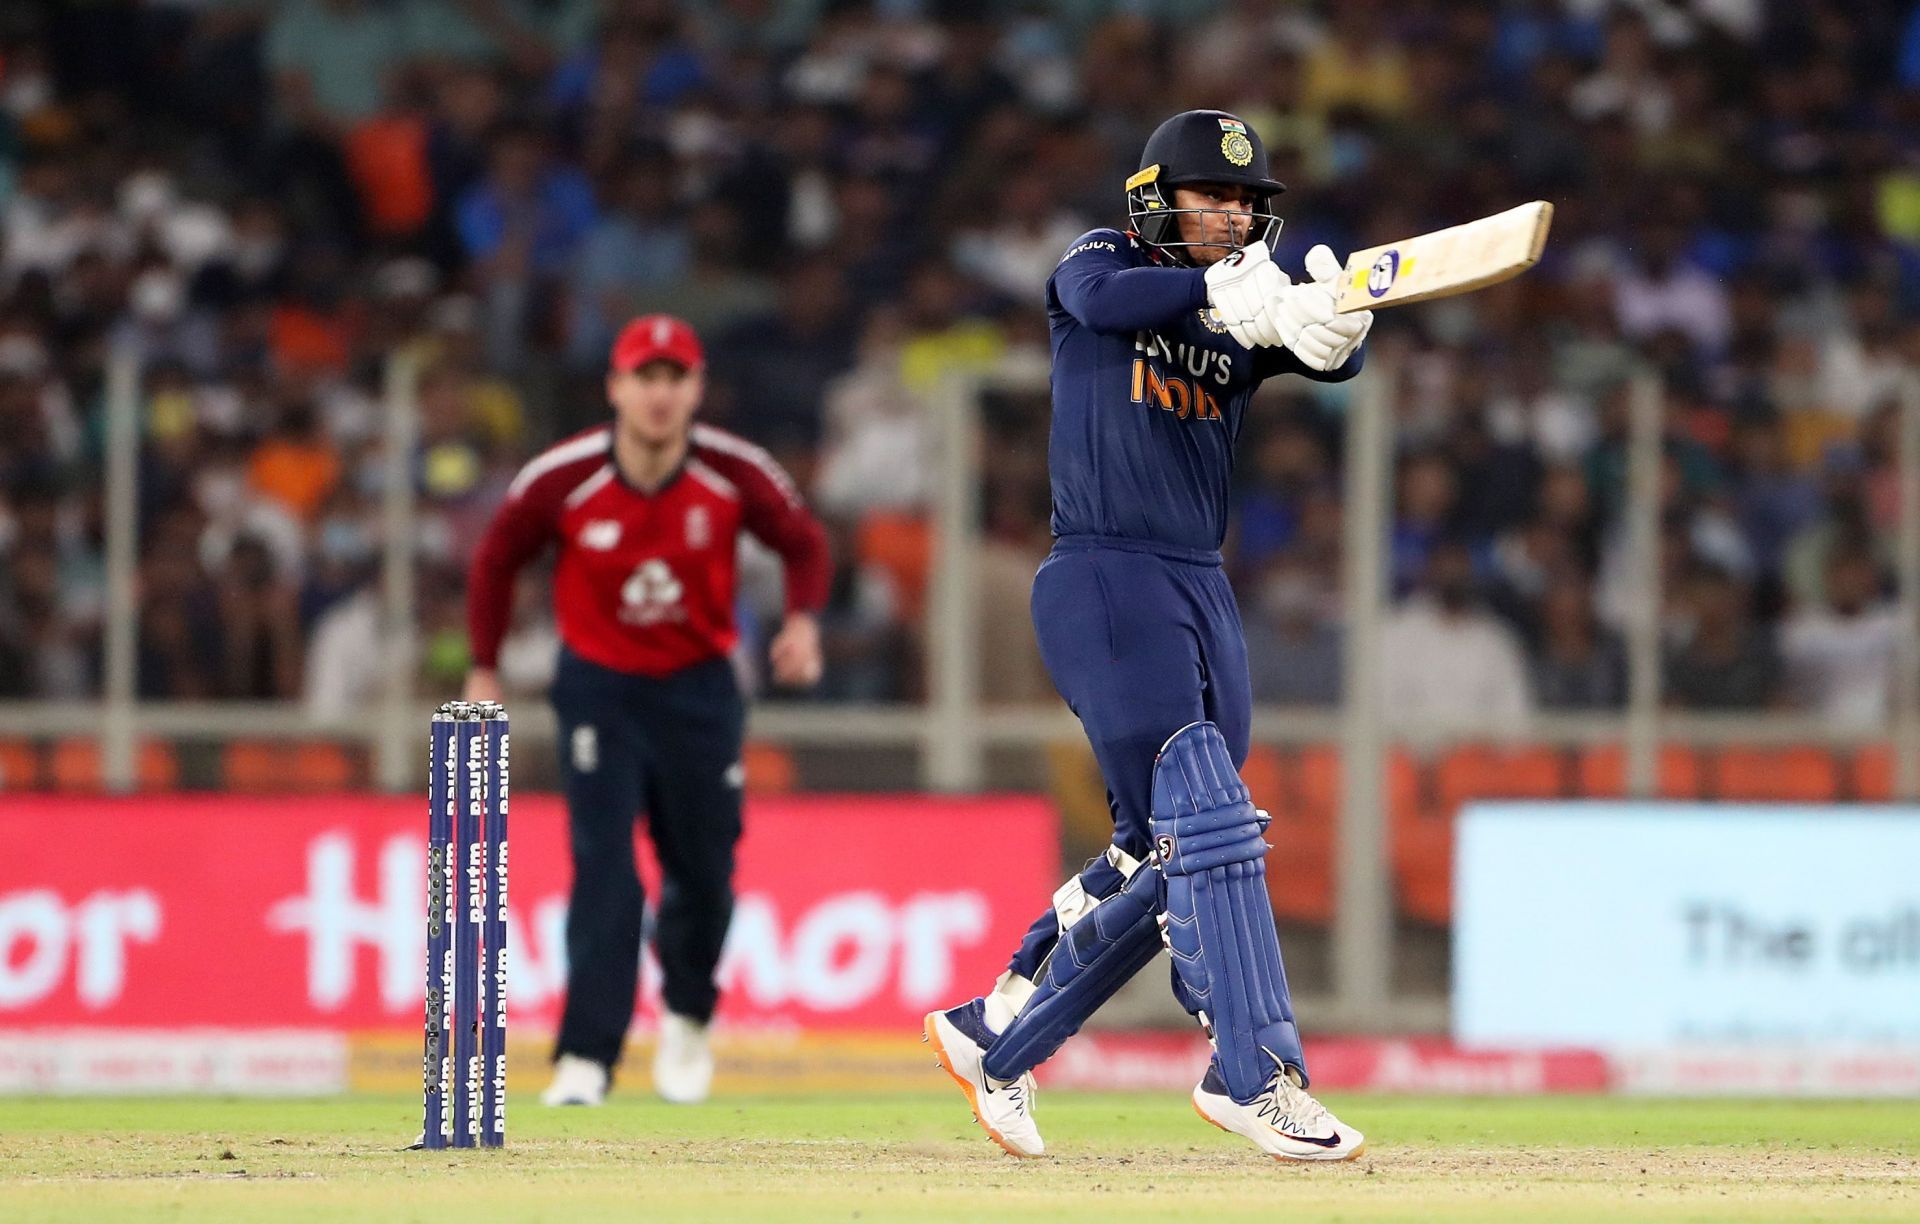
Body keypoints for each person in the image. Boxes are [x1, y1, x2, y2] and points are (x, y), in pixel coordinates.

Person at [923, 110, 1373, 1162]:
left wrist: (1335, 325)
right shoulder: (1104, 261)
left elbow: (1318, 337)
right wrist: (1216, 289)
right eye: (1208, 196)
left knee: (1166, 847)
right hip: (1105, 570)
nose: (1228, 215)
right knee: (1208, 812)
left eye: (1245, 203)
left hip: (1200, 583)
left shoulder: (1237, 315)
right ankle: (1253, 1075)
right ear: (1156, 198)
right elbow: (1092, 298)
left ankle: (997, 1032)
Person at [465, 314, 829, 1106]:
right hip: (600, 688)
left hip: (700, 690)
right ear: (616, 389)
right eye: (645, 378)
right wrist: (484, 665)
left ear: (697, 389)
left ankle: (688, 1018)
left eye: (676, 378)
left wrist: (802, 622)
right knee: (604, 869)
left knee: (703, 870)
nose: (660, 395)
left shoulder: (736, 471)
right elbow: (496, 559)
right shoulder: (563, 478)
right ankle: (586, 1059)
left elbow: (803, 543)